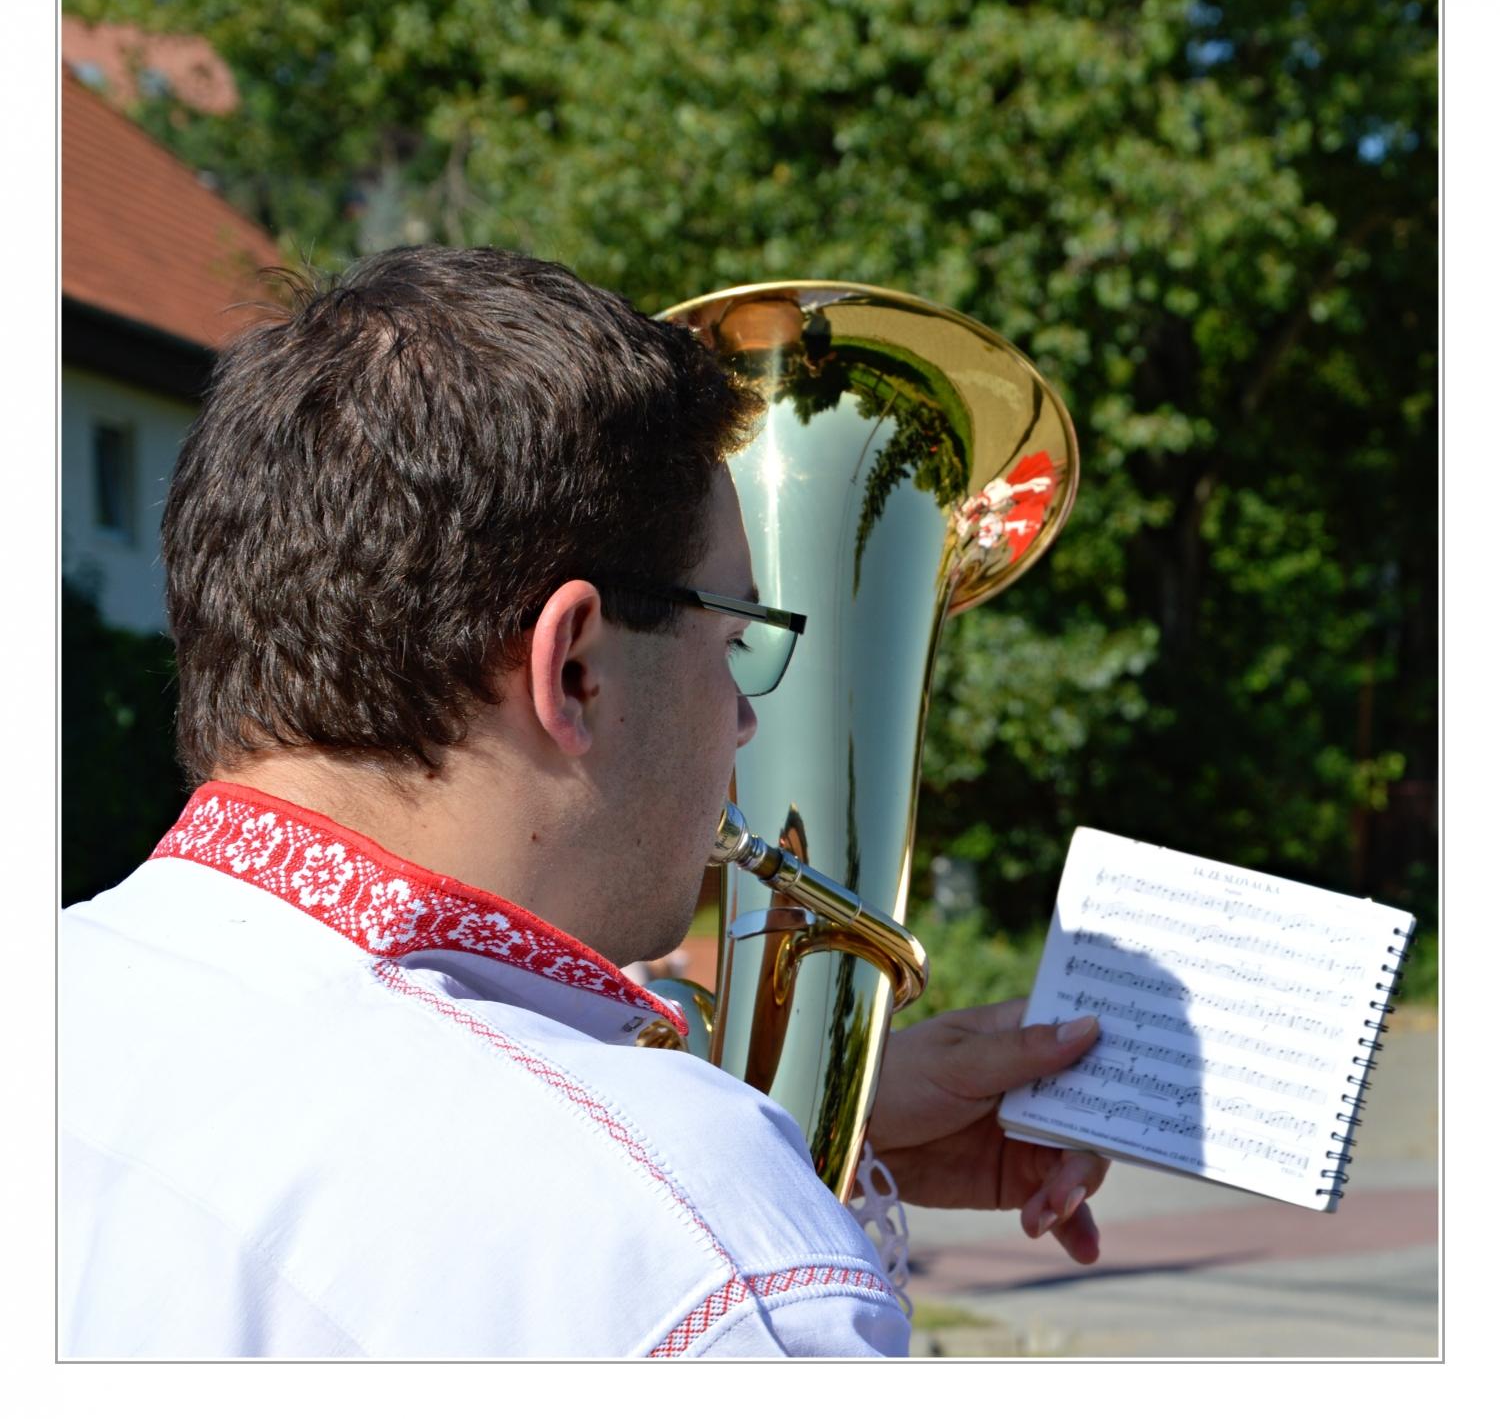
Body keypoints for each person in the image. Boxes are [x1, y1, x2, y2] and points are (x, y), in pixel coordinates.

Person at [59, 246, 1107, 1358]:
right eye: (736, 641)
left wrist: (827, 1139)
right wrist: (743, 1208)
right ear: (575, 670)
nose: (746, 723)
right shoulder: (703, 1256)